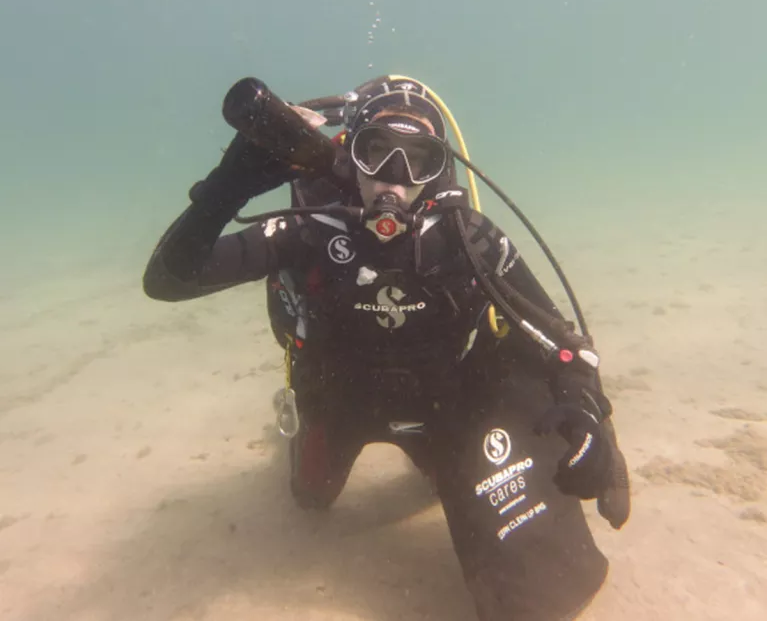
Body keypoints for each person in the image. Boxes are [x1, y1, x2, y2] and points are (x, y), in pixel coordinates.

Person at [143, 74, 630, 621]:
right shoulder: (307, 231)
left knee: (451, 489)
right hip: (335, 401)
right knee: (311, 499)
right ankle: (309, 439)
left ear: (439, 169)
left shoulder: (468, 238)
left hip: (439, 409)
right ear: (351, 158)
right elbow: (169, 280)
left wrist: (588, 411)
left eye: (417, 160)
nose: (394, 182)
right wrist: (228, 186)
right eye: (377, 153)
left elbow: (557, 340)